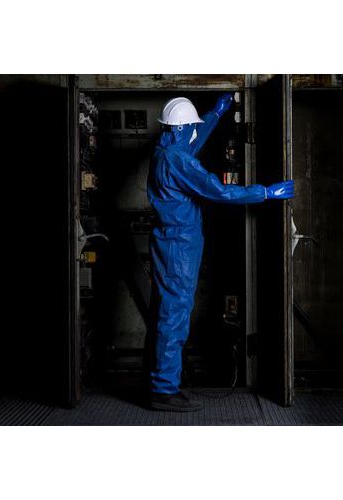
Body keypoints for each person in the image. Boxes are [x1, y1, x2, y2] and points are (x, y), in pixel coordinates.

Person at [146, 94, 294, 412]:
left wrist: (215, 113)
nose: (193, 132)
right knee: (174, 317)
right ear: (182, 128)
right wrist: (266, 193)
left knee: (165, 312)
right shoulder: (178, 160)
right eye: (192, 126)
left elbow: (192, 143)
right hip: (179, 248)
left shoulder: (166, 150)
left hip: (168, 243)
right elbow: (220, 191)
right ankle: (162, 390)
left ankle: (160, 382)